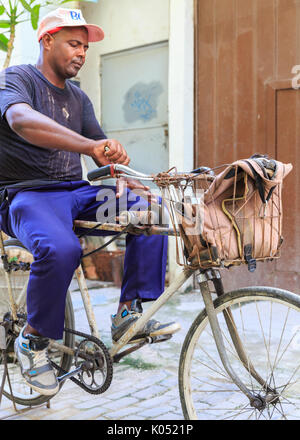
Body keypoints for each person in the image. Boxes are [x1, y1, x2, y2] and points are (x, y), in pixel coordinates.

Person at [0, 7, 180, 396]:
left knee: (149, 210)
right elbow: (21, 121)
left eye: (85, 46)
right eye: (73, 44)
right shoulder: (17, 79)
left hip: (74, 192)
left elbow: (101, 150)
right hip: (26, 193)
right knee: (61, 247)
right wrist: (89, 145)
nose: (81, 53)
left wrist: (123, 170)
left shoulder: (79, 99)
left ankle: (128, 311)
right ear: (47, 41)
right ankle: (32, 342)